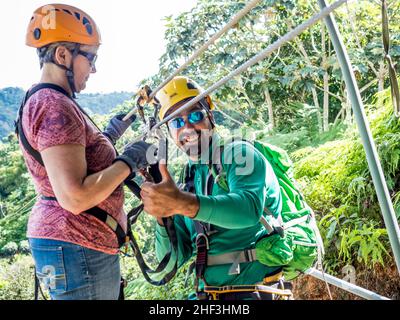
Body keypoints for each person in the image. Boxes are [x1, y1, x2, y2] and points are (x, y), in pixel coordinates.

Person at [17, 4, 152, 300]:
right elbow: (75, 197)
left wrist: (114, 132)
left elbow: (79, 156)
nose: (93, 69)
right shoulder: (54, 106)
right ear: (62, 55)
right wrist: (129, 161)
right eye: (90, 58)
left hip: (74, 246)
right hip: (78, 244)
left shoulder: (47, 99)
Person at [140, 76, 289, 300]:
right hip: (209, 295)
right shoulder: (187, 179)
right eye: (176, 123)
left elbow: (248, 209)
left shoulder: (238, 154)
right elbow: (171, 261)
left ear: (210, 116)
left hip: (256, 292)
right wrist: (162, 214)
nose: (187, 127)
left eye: (195, 115)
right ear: (170, 133)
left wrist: (182, 203)